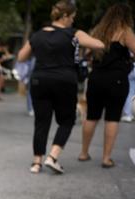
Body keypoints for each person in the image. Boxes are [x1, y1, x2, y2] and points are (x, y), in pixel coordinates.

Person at [18, 0, 104, 174]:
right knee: (67, 120)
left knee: (41, 122)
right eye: (72, 17)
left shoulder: (38, 34)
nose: (73, 20)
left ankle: (36, 163)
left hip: (39, 80)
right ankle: (52, 157)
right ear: (65, 16)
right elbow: (99, 45)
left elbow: (21, 57)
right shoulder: (73, 33)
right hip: (64, 81)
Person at [78, 4, 135, 168]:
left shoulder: (98, 30)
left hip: (96, 77)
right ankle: (106, 158)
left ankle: (83, 153)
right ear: (126, 16)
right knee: (112, 117)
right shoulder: (125, 31)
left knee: (91, 116)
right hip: (116, 80)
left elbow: (87, 53)